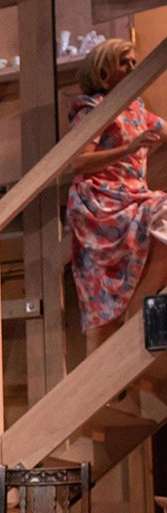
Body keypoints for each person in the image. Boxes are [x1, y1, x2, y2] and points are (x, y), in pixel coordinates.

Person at [67, 38, 167, 351]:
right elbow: (77, 161)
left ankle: (137, 316)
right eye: (125, 62)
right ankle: (136, 324)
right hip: (102, 199)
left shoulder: (137, 109)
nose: (133, 68)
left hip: (134, 195)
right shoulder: (95, 109)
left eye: (134, 62)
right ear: (104, 69)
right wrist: (129, 148)